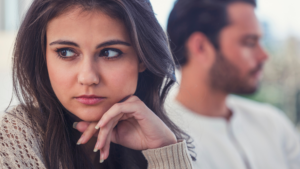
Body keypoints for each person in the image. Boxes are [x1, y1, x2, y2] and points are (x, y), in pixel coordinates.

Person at [0, 0, 194, 168]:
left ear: (142, 58)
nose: (88, 77)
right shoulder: (14, 139)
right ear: (43, 58)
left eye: (109, 53)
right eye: (66, 52)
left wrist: (164, 153)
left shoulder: (164, 140)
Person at [166, 0, 300, 169]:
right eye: (250, 42)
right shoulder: (162, 144)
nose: (264, 55)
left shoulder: (274, 124)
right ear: (200, 47)